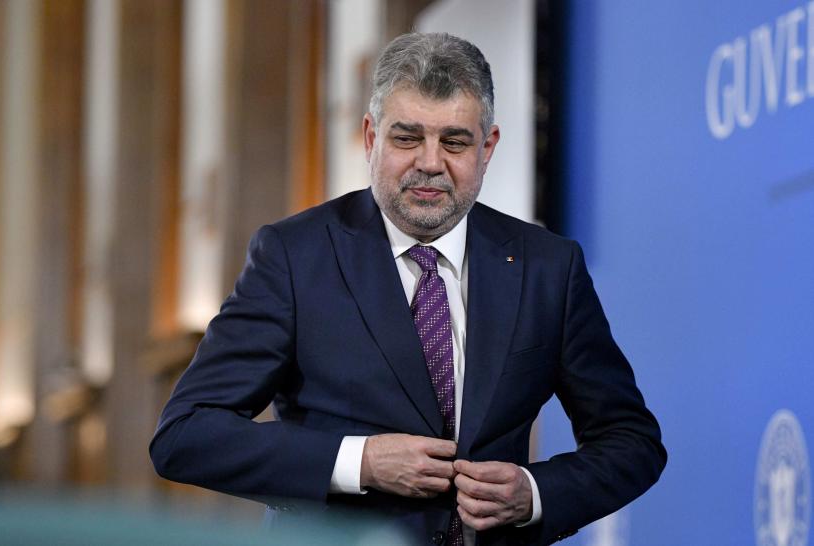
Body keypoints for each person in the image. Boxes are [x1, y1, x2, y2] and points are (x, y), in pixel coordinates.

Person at [150, 32, 666, 546]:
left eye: (454, 142)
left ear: (488, 148)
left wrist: (534, 493)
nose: (430, 163)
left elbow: (631, 441)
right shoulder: (293, 257)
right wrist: (360, 461)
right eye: (407, 138)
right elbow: (186, 435)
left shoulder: (548, 267)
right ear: (370, 137)